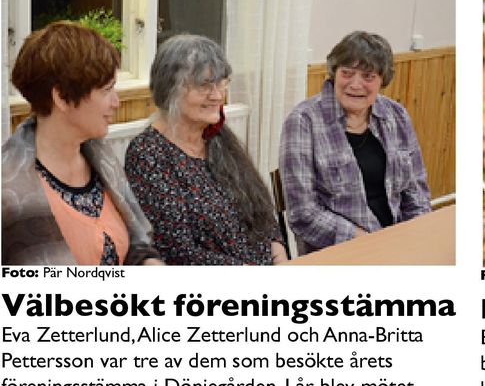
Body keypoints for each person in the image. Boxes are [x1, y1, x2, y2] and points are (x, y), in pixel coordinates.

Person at [2, 21, 160, 266]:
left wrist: (150, 264)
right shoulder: (9, 192)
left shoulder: (102, 159)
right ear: (62, 98)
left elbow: (136, 243)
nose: (116, 102)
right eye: (107, 90)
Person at [125, 34, 287, 265]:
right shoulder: (148, 154)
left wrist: (278, 251)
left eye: (221, 83)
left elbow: (261, 211)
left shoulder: (216, 136)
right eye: (204, 85)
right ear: (170, 88)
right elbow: (179, 253)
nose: (218, 95)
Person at [279, 31, 431, 255]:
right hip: (338, 253)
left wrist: (414, 237)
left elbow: (416, 191)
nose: (355, 85)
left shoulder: (396, 115)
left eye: (368, 77)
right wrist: (370, 243)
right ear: (334, 74)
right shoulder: (303, 121)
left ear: (382, 80)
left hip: (397, 245)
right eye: (347, 73)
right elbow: (303, 213)